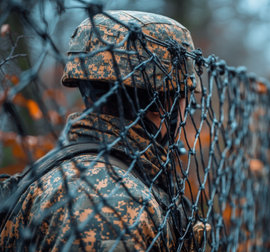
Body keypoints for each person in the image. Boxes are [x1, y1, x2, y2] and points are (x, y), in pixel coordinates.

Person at [0, 10, 205, 251]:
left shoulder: (74, 168)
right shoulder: (115, 202)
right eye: (186, 100)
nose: (186, 111)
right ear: (166, 102)